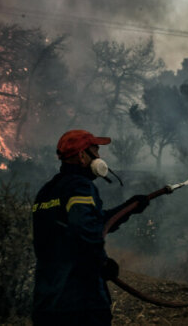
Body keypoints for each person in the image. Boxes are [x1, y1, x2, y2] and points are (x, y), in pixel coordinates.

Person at [32, 129, 149, 326]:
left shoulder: (47, 191)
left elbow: (90, 224)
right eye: (96, 151)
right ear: (82, 156)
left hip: (46, 301)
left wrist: (129, 207)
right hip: (80, 301)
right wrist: (102, 263)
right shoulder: (80, 186)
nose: (100, 157)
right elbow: (83, 229)